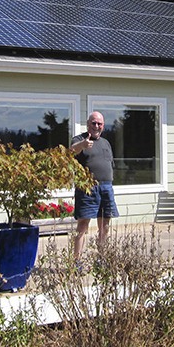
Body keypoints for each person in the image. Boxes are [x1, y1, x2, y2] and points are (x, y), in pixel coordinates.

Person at [70, 111, 119, 260]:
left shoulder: (105, 143)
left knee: (104, 225)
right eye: (93, 123)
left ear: (103, 126)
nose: (96, 126)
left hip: (106, 187)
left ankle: (101, 259)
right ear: (88, 124)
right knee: (83, 225)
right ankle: (76, 262)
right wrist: (83, 145)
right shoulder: (79, 139)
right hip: (87, 188)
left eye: (99, 124)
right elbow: (71, 151)